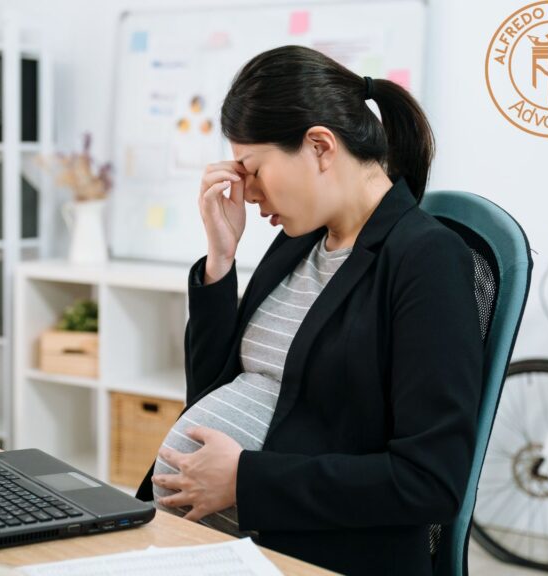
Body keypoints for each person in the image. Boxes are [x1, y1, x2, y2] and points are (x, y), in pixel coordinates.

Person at [132, 45, 483, 576]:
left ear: (320, 146)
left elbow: (429, 481)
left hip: (312, 557)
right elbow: (208, 393)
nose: (246, 192)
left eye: (253, 170)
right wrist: (220, 262)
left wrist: (245, 481)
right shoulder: (300, 241)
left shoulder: (425, 259)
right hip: (208, 545)